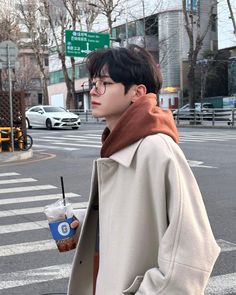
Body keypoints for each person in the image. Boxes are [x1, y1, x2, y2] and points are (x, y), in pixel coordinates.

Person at [68, 45, 220, 295]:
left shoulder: (155, 148)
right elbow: (135, 218)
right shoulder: (118, 144)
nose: (94, 90)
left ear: (137, 92)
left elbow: (195, 250)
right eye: (93, 82)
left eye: (105, 82)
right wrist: (85, 222)